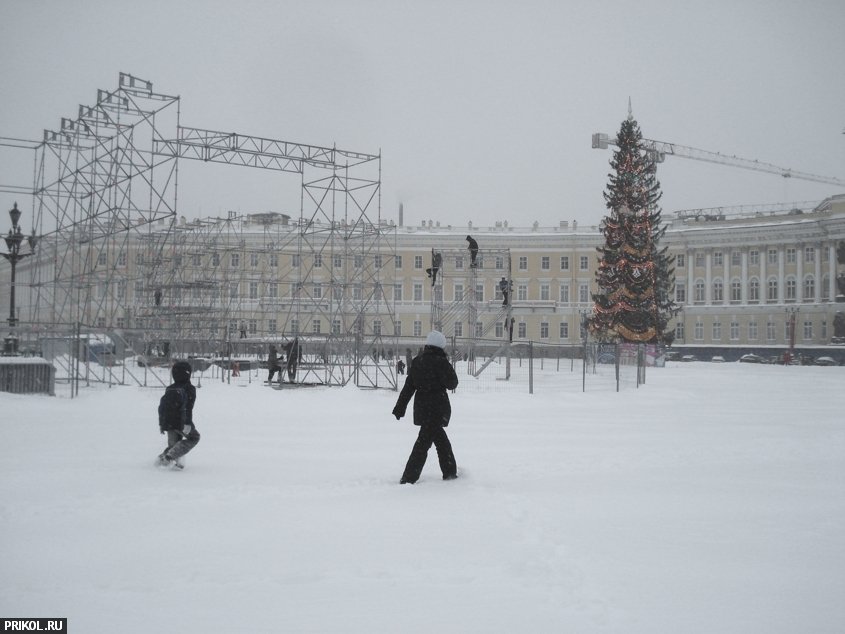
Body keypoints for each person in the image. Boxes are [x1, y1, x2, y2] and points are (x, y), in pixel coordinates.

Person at [392, 330, 459, 484]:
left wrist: (400, 407)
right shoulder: (441, 362)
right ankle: (409, 477)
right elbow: (452, 383)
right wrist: (446, 366)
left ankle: (449, 472)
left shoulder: (417, 361)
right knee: (425, 444)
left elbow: (409, 387)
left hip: (423, 407)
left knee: (438, 441)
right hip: (437, 408)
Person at [157, 360, 200, 469]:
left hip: (168, 422)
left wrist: (162, 424)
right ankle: (169, 457)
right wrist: (187, 423)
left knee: (174, 445)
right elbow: (188, 407)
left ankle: (163, 460)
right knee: (194, 437)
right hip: (181, 420)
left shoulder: (170, 388)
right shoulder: (189, 389)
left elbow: (162, 407)